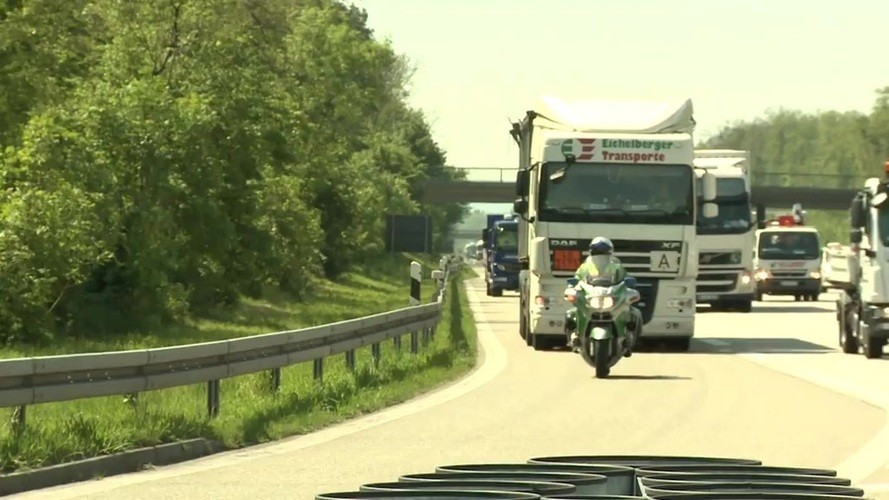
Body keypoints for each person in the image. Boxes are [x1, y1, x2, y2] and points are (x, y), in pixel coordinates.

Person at [567, 237, 640, 356]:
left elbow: (625, 278)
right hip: (591, 296)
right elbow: (577, 278)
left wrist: (629, 284)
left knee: (634, 314)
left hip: (610, 295)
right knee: (570, 314)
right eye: (598, 250)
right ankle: (574, 338)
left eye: (603, 250)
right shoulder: (585, 267)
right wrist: (572, 285)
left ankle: (628, 341)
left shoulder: (616, 266)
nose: (600, 254)